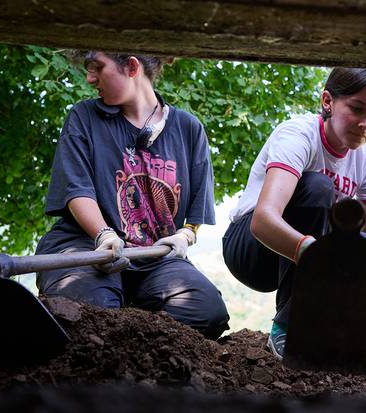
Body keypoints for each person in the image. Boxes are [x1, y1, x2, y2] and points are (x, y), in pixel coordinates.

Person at [35, 51, 230, 340]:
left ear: (132, 66)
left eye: (96, 68)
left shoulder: (189, 129)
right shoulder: (84, 117)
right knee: (93, 315)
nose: (89, 78)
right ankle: (108, 307)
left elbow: (196, 211)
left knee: (206, 312)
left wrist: (185, 236)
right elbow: (77, 189)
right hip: (85, 249)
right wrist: (103, 234)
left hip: (155, 258)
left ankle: (131, 316)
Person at [222, 68, 366, 359]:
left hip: (305, 260)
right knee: (318, 186)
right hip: (252, 249)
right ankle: (287, 328)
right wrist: (319, 257)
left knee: (360, 243)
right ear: (328, 101)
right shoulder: (298, 135)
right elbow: (263, 220)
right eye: (357, 108)